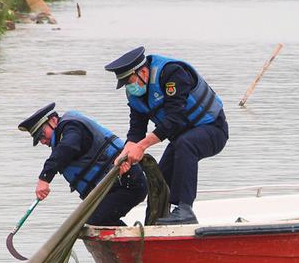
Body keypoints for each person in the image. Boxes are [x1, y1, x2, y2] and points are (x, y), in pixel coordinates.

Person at [104, 46, 228, 225]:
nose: (129, 87)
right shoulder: (136, 94)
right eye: (125, 84)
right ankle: (155, 220)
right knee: (160, 176)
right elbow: (136, 129)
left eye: (130, 81)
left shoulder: (172, 74)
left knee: (186, 144)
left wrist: (142, 146)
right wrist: (126, 153)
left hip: (213, 130)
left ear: (143, 72)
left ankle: (185, 210)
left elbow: (174, 120)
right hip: (182, 138)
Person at [18, 102, 147, 226]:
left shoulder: (72, 127)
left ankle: (138, 245)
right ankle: (131, 245)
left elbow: (68, 147)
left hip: (128, 183)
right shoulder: (60, 141)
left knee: (95, 220)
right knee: (88, 221)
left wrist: (44, 178)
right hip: (108, 191)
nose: (43, 141)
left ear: (53, 120)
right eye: (39, 139)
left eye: (42, 134)